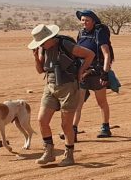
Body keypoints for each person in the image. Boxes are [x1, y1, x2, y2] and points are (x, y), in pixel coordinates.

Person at [29, 24, 94, 166]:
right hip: (50, 85)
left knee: (66, 125)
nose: (41, 46)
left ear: (50, 38)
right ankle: (49, 152)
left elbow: (90, 54)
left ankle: (69, 155)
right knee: (42, 120)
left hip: (69, 87)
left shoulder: (66, 44)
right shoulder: (42, 48)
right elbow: (40, 70)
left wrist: (81, 71)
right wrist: (36, 56)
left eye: (43, 43)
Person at [72, 10, 113, 139]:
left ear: (93, 21)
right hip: (82, 72)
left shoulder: (99, 33)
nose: (84, 23)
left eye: (87, 20)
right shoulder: (81, 34)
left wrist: (105, 74)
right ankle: (73, 130)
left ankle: (105, 128)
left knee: (101, 102)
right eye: (82, 20)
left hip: (97, 72)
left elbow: (106, 54)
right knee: (78, 103)